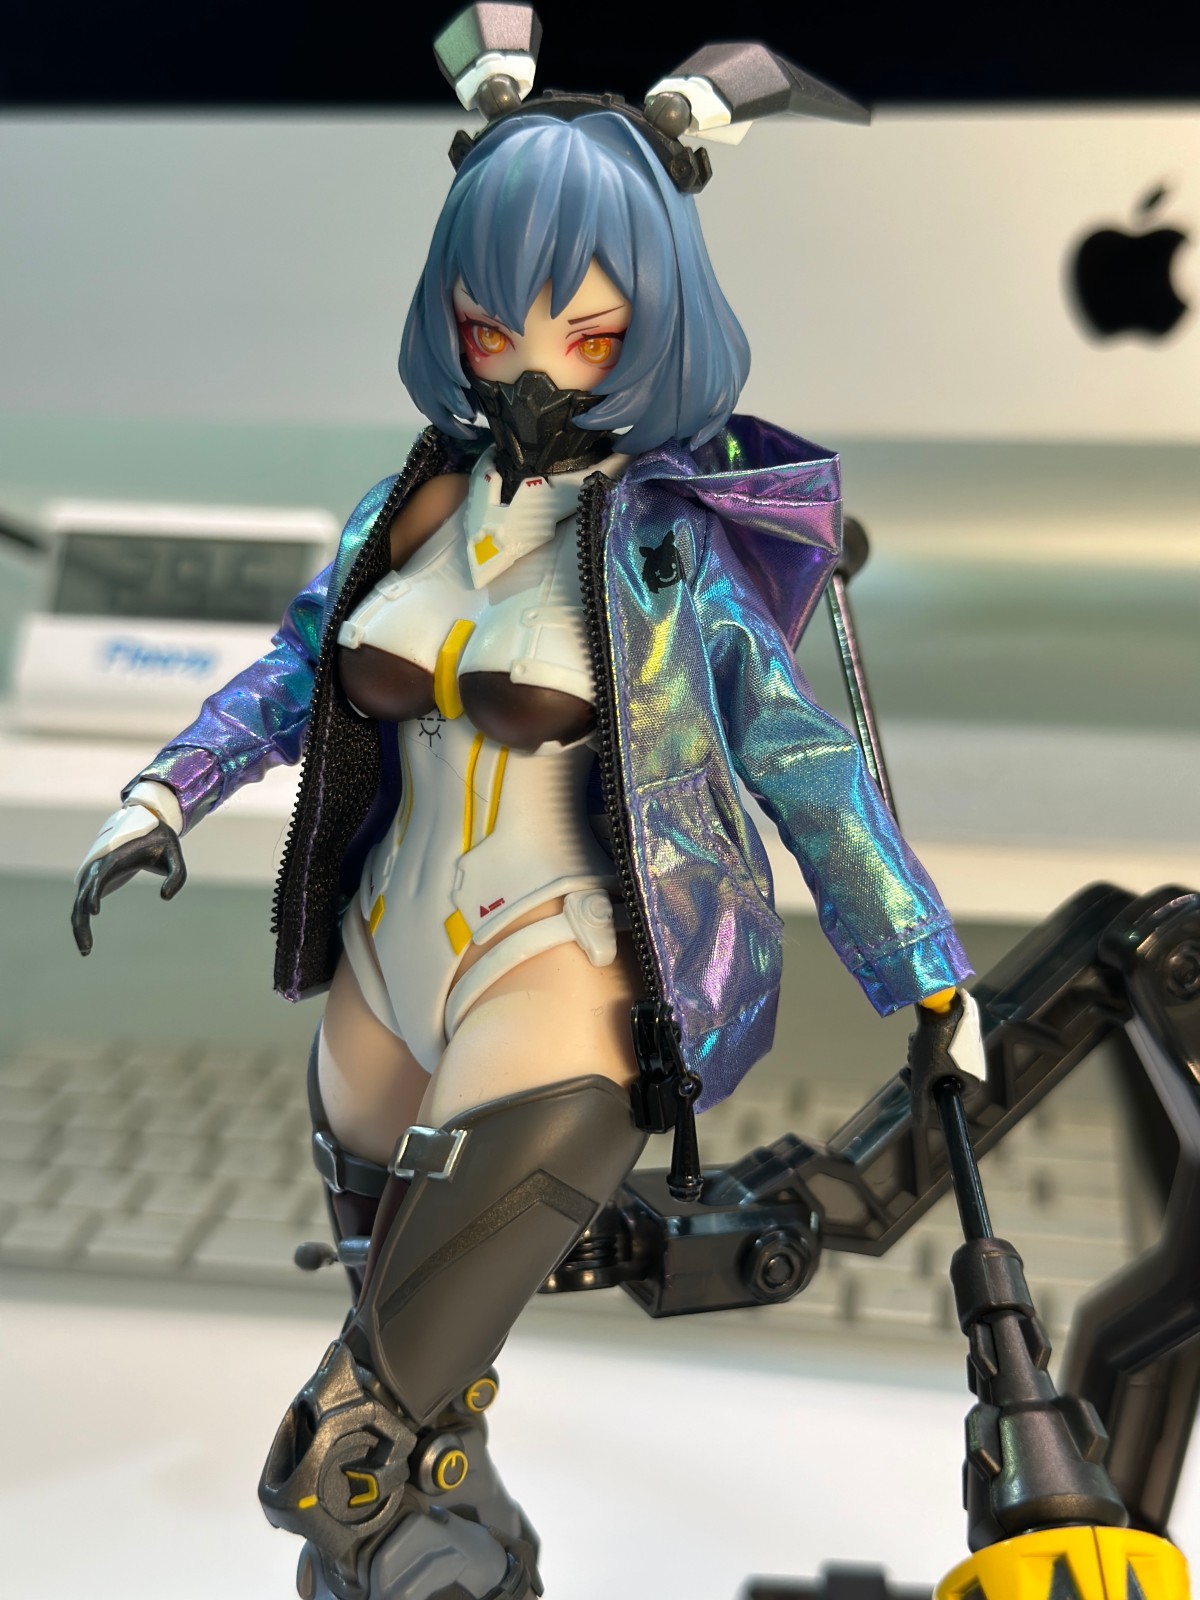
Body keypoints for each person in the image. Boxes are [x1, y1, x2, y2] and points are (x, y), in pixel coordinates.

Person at [72, 84, 975, 1600]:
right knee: (428, 1397)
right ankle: (469, 1554)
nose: (535, 367)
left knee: (349, 1436)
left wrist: (927, 970)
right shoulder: (411, 506)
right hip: (382, 969)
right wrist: (170, 791)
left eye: (590, 334)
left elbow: (804, 765)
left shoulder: (670, 554)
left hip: (560, 974)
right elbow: (300, 666)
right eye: (493, 331)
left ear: (656, 325)